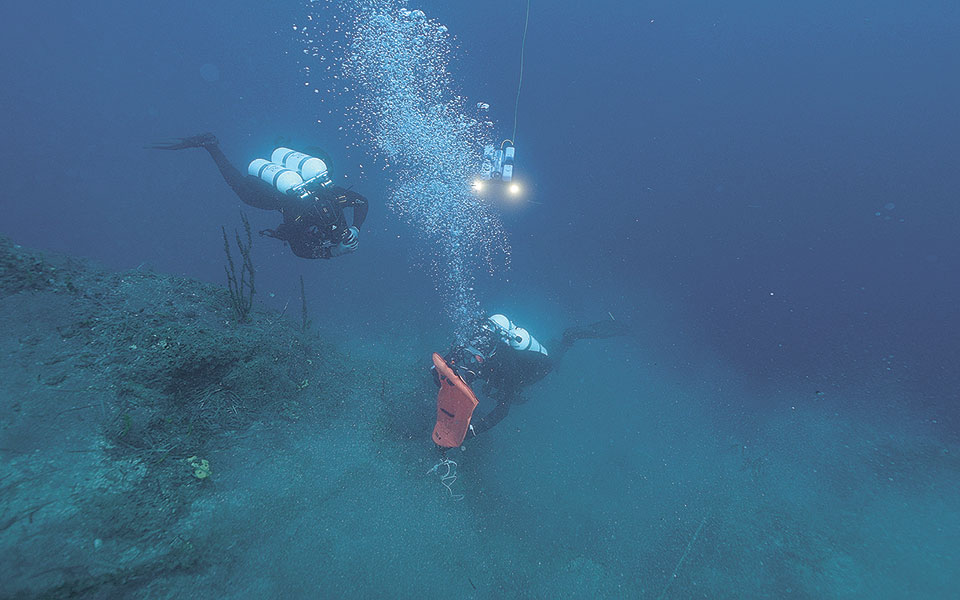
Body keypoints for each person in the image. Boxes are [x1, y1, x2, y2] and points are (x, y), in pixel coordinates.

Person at [149, 133, 368, 259]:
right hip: (277, 196)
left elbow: (361, 202)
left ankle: (282, 150)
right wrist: (334, 251)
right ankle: (211, 146)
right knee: (243, 191)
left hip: (301, 179)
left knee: (307, 173)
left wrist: (355, 228)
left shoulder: (334, 195)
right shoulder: (300, 217)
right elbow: (298, 249)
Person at [435, 313, 627, 434]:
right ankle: (556, 342)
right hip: (510, 367)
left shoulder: (507, 364)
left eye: (482, 349)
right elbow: (449, 361)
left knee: (555, 354)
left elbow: (503, 410)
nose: (477, 351)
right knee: (492, 376)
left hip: (538, 369)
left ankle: (572, 336)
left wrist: (472, 431)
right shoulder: (478, 342)